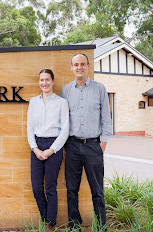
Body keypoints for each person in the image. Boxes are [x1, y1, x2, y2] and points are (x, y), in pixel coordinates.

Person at [60, 53, 112, 229]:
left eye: (82, 64)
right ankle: (74, 225)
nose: (79, 67)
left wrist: (103, 142)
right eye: (76, 64)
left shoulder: (99, 89)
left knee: (97, 191)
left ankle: (101, 226)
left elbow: (106, 118)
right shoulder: (65, 91)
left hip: (93, 146)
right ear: (72, 67)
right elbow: (63, 120)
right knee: (71, 189)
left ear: (88, 66)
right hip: (72, 145)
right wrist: (64, 146)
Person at [27, 69, 70, 230]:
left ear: (53, 81)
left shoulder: (61, 103)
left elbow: (65, 130)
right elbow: (29, 128)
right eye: (41, 80)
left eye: (47, 80)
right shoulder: (33, 102)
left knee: (50, 188)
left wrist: (51, 150)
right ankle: (46, 218)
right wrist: (35, 149)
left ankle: (50, 224)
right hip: (37, 146)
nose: (44, 83)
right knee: (37, 188)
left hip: (55, 146)